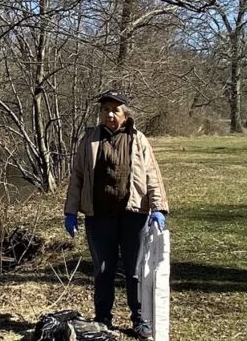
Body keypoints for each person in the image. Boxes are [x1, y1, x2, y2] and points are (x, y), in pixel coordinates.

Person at [64, 89, 169, 341]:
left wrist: (158, 208)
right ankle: (102, 319)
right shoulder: (89, 140)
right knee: (103, 270)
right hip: (98, 216)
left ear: (125, 115)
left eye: (115, 110)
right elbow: (77, 177)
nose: (109, 114)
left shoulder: (138, 139)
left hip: (133, 215)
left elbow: (152, 175)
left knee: (135, 270)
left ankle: (140, 320)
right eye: (105, 110)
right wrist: (70, 211)